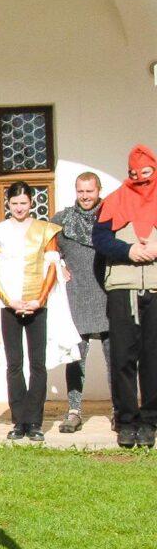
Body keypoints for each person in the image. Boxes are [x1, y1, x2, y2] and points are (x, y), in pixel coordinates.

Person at [0, 182, 65, 442]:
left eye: (23, 203)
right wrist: (10, 300)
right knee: (14, 364)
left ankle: (34, 421)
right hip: (10, 305)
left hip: (38, 305)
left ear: (31, 203)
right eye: (14, 203)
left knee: (37, 364)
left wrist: (40, 299)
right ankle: (19, 420)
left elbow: (52, 267)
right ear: (8, 204)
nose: (19, 207)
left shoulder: (45, 230)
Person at [92, 144, 157, 448]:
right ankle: (127, 420)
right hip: (122, 287)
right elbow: (101, 238)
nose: (140, 178)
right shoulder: (116, 200)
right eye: (135, 174)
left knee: (153, 357)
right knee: (122, 357)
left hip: (155, 287)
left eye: (146, 173)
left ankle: (150, 421)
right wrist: (129, 250)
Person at [52, 171, 111, 433]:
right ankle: (74, 411)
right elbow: (47, 250)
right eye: (81, 191)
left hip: (110, 296)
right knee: (76, 359)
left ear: (98, 190)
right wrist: (59, 266)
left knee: (116, 358)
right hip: (76, 297)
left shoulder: (112, 218)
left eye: (89, 191)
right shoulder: (62, 220)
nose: (85, 196)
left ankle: (119, 410)